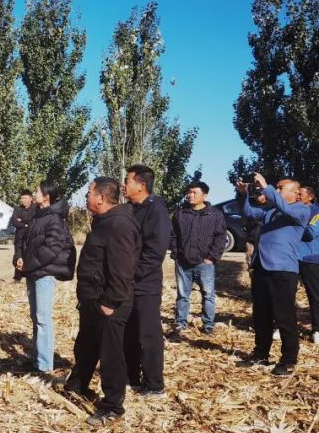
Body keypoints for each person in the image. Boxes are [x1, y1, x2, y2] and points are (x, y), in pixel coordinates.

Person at [63, 177, 139, 427]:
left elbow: (122, 269)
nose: (86, 196)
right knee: (86, 347)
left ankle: (113, 407)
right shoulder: (104, 221)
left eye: (89, 192)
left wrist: (110, 302)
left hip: (109, 304)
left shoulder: (119, 224)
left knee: (111, 356)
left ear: (101, 198)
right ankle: (77, 386)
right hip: (93, 300)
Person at [236, 173, 311, 376]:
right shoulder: (271, 212)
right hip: (262, 267)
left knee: (284, 317)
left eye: (280, 188)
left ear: (296, 193)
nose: (276, 191)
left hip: (283, 270)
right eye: (276, 188)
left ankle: (288, 360)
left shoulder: (302, 210)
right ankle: (260, 354)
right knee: (261, 315)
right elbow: (249, 212)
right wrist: (243, 194)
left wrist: (266, 187)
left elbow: (286, 208)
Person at [15, 180, 75, 375]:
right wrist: (20, 257)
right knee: (36, 317)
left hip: (44, 273)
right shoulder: (37, 216)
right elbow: (25, 240)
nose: (34, 193)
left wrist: (29, 263)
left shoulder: (54, 219)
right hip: (33, 271)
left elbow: (52, 248)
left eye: (37, 191)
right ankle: (36, 360)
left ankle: (45, 365)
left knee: (43, 318)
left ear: (47, 196)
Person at [121, 164, 171, 398]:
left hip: (145, 284)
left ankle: (154, 384)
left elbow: (154, 252)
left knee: (148, 334)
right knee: (128, 332)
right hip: (125, 282)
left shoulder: (156, 210)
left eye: (127, 181)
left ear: (141, 185)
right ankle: (131, 376)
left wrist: (131, 273)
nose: (124, 185)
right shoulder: (128, 209)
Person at [169, 180, 227, 336]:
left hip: (205, 263)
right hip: (183, 262)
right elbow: (173, 235)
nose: (190, 195)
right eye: (189, 192)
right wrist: (176, 253)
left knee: (208, 295)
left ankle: (208, 325)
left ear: (205, 195)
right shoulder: (181, 214)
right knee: (182, 295)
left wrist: (212, 258)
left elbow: (220, 237)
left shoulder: (214, 215)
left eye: (194, 192)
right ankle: (180, 323)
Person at [298, 186, 319, 345]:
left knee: (314, 296)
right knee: (286, 296)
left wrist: (296, 223)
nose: (298, 196)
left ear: (310, 197)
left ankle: (316, 329)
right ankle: (283, 327)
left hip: (309, 259)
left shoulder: (315, 212)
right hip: (291, 259)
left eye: (301, 194)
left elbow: (311, 232)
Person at [10, 190, 36, 282]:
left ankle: (32, 277)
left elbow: (33, 221)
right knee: (18, 255)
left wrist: (22, 221)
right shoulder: (17, 208)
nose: (23, 200)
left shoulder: (35, 208)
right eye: (22, 198)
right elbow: (14, 221)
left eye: (26, 198)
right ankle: (17, 278)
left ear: (31, 198)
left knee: (30, 256)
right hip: (19, 236)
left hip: (31, 236)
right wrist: (25, 224)